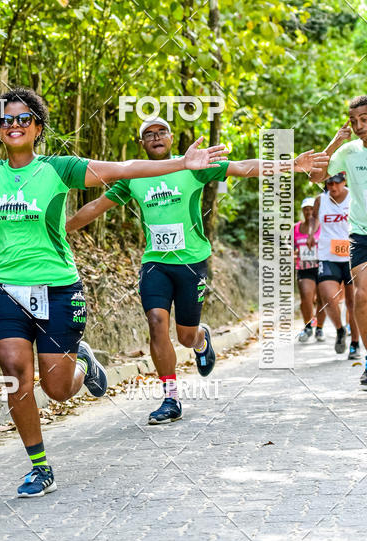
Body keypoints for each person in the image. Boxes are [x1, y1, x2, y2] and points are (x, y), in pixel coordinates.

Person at [0, 89, 230, 496]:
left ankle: (84, 364)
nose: (15, 126)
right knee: (14, 373)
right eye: (7, 120)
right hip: (7, 288)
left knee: (57, 390)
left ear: (38, 127)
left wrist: (181, 163)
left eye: (24, 119)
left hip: (59, 288)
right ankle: (39, 468)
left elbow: (122, 167)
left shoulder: (59, 169)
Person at [67, 117, 328, 425]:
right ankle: (170, 397)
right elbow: (95, 207)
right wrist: (60, 230)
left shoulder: (195, 165)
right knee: (155, 322)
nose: (155, 137)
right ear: (142, 144)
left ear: (170, 136)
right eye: (148, 134)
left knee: (186, 336)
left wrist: (292, 164)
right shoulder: (132, 177)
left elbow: (243, 167)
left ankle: (202, 339)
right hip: (156, 262)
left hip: (192, 264)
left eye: (161, 131)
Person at [310, 98, 367, 386]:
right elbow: (314, 176)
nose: (358, 127)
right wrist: (333, 143)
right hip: (361, 233)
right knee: (361, 296)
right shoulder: (349, 151)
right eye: (354, 121)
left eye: (364, 120)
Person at [307, 173, 359, 358]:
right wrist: (312, 233)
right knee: (328, 297)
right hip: (328, 255)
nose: (332, 188)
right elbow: (313, 217)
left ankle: (354, 344)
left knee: (353, 302)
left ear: (344, 181)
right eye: (329, 184)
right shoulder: (320, 200)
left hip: (353, 255)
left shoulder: (355, 196)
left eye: (336, 183)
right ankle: (340, 330)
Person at [294, 197, 325, 343]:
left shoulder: (323, 226)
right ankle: (307, 327)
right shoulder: (296, 228)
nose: (309, 211)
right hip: (304, 267)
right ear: (302, 211)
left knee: (321, 298)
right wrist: (292, 252)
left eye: (311, 208)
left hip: (322, 266)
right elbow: (290, 246)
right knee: (306, 296)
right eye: (306, 209)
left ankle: (319, 327)